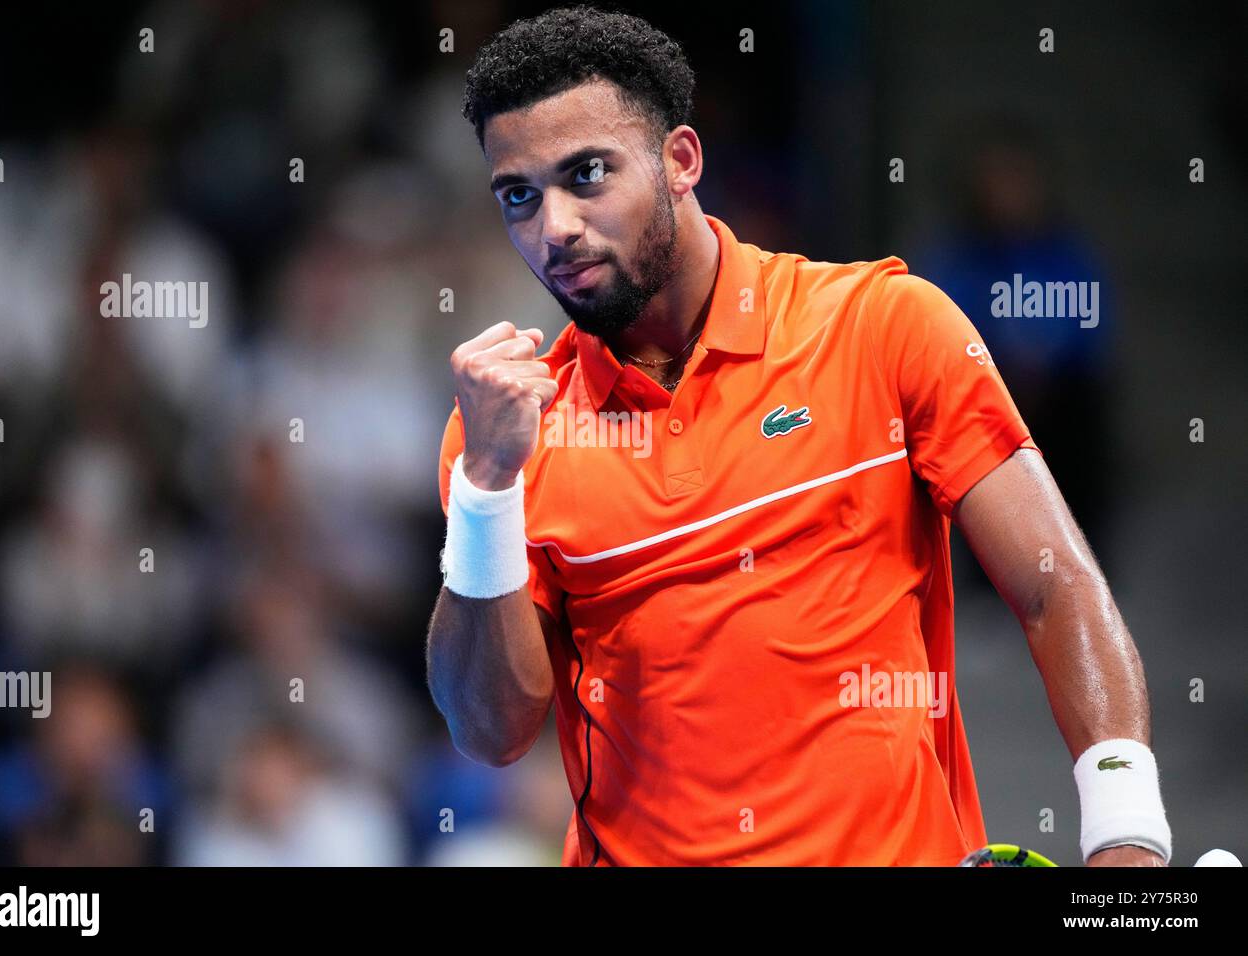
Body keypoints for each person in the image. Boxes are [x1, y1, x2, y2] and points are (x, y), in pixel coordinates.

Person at [426, 5, 1169, 867]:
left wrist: (1125, 833)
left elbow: (1054, 586)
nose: (553, 227)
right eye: (519, 195)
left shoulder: (884, 327)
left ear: (681, 162)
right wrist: (486, 486)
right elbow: (491, 729)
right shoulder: (504, 436)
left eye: (586, 174)